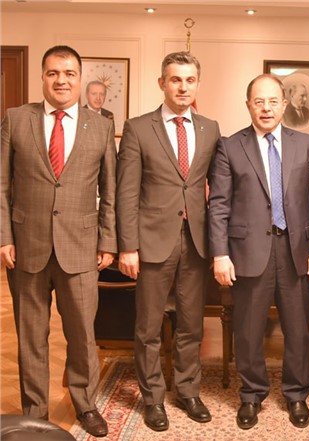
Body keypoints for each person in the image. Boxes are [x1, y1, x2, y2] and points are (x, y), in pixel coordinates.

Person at [0, 45, 116, 437]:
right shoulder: (16, 119)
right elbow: (1, 185)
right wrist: (4, 237)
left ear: (80, 79)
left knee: (82, 334)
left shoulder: (101, 126)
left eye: (68, 73)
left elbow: (110, 190)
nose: (61, 80)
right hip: (25, 247)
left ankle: (86, 404)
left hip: (81, 248)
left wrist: (108, 241)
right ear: (42, 77)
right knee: (31, 337)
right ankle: (35, 412)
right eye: (53, 73)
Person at [208, 74, 309, 430]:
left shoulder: (308, 145)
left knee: (298, 329)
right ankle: (251, 393)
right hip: (247, 251)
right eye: (259, 101)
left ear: (284, 104)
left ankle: (296, 394)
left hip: (296, 250)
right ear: (248, 105)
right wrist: (220, 253)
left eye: (273, 101)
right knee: (247, 330)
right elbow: (218, 205)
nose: (266, 108)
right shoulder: (230, 146)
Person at [116, 51, 221, 432]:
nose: (183, 87)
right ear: (162, 83)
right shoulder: (138, 128)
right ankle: (153, 399)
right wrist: (127, 245)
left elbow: (217, 189)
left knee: (192, 324)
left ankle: (188, 391)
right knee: (148, 327)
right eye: (175, 80)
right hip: (151, 242)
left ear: (198, 84)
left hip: (196, 241)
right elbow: (127, 191)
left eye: (190, 80)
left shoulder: (210, 128)